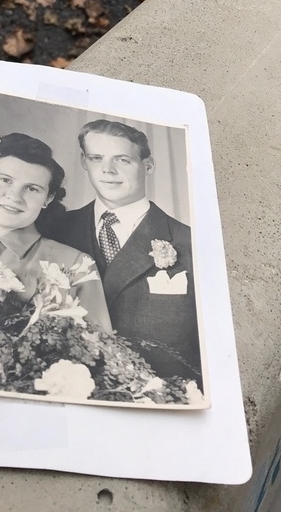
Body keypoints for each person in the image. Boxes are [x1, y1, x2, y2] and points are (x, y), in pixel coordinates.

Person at [54, 119, 202, 384]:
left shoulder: (191, 242)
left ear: (148, 165)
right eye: (96, 158)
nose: (107, 170)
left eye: (122, 160)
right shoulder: (55, 231)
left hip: (161, 396)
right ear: (84, 162)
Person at [0, 132, 112, 332]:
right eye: (5, 180)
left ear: (48, 198)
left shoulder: (76, 265)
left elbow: (100, 345)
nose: (14, 196)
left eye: (32, 189)